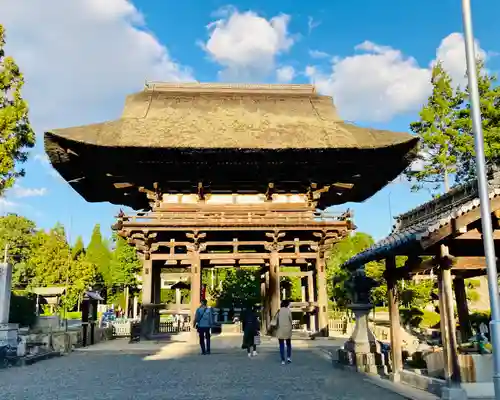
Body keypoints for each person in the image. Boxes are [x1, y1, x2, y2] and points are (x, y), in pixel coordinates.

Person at [274, 299, 293, 365]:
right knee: (288, 344)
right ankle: (288, 357)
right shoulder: (288, 311)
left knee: (281, 345)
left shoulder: (279, 311)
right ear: (287, 304)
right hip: (287, 329)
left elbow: (275, 320)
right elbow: (291, 320)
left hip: (280, 329)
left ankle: (282, 360)